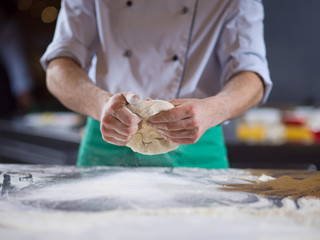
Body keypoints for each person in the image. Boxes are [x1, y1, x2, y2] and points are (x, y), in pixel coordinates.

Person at [40, 0, 272, 168]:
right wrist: (101, 106)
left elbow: (251, 76)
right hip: (106, 139)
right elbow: (58, 68)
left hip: (198, 144)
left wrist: (215, 109)